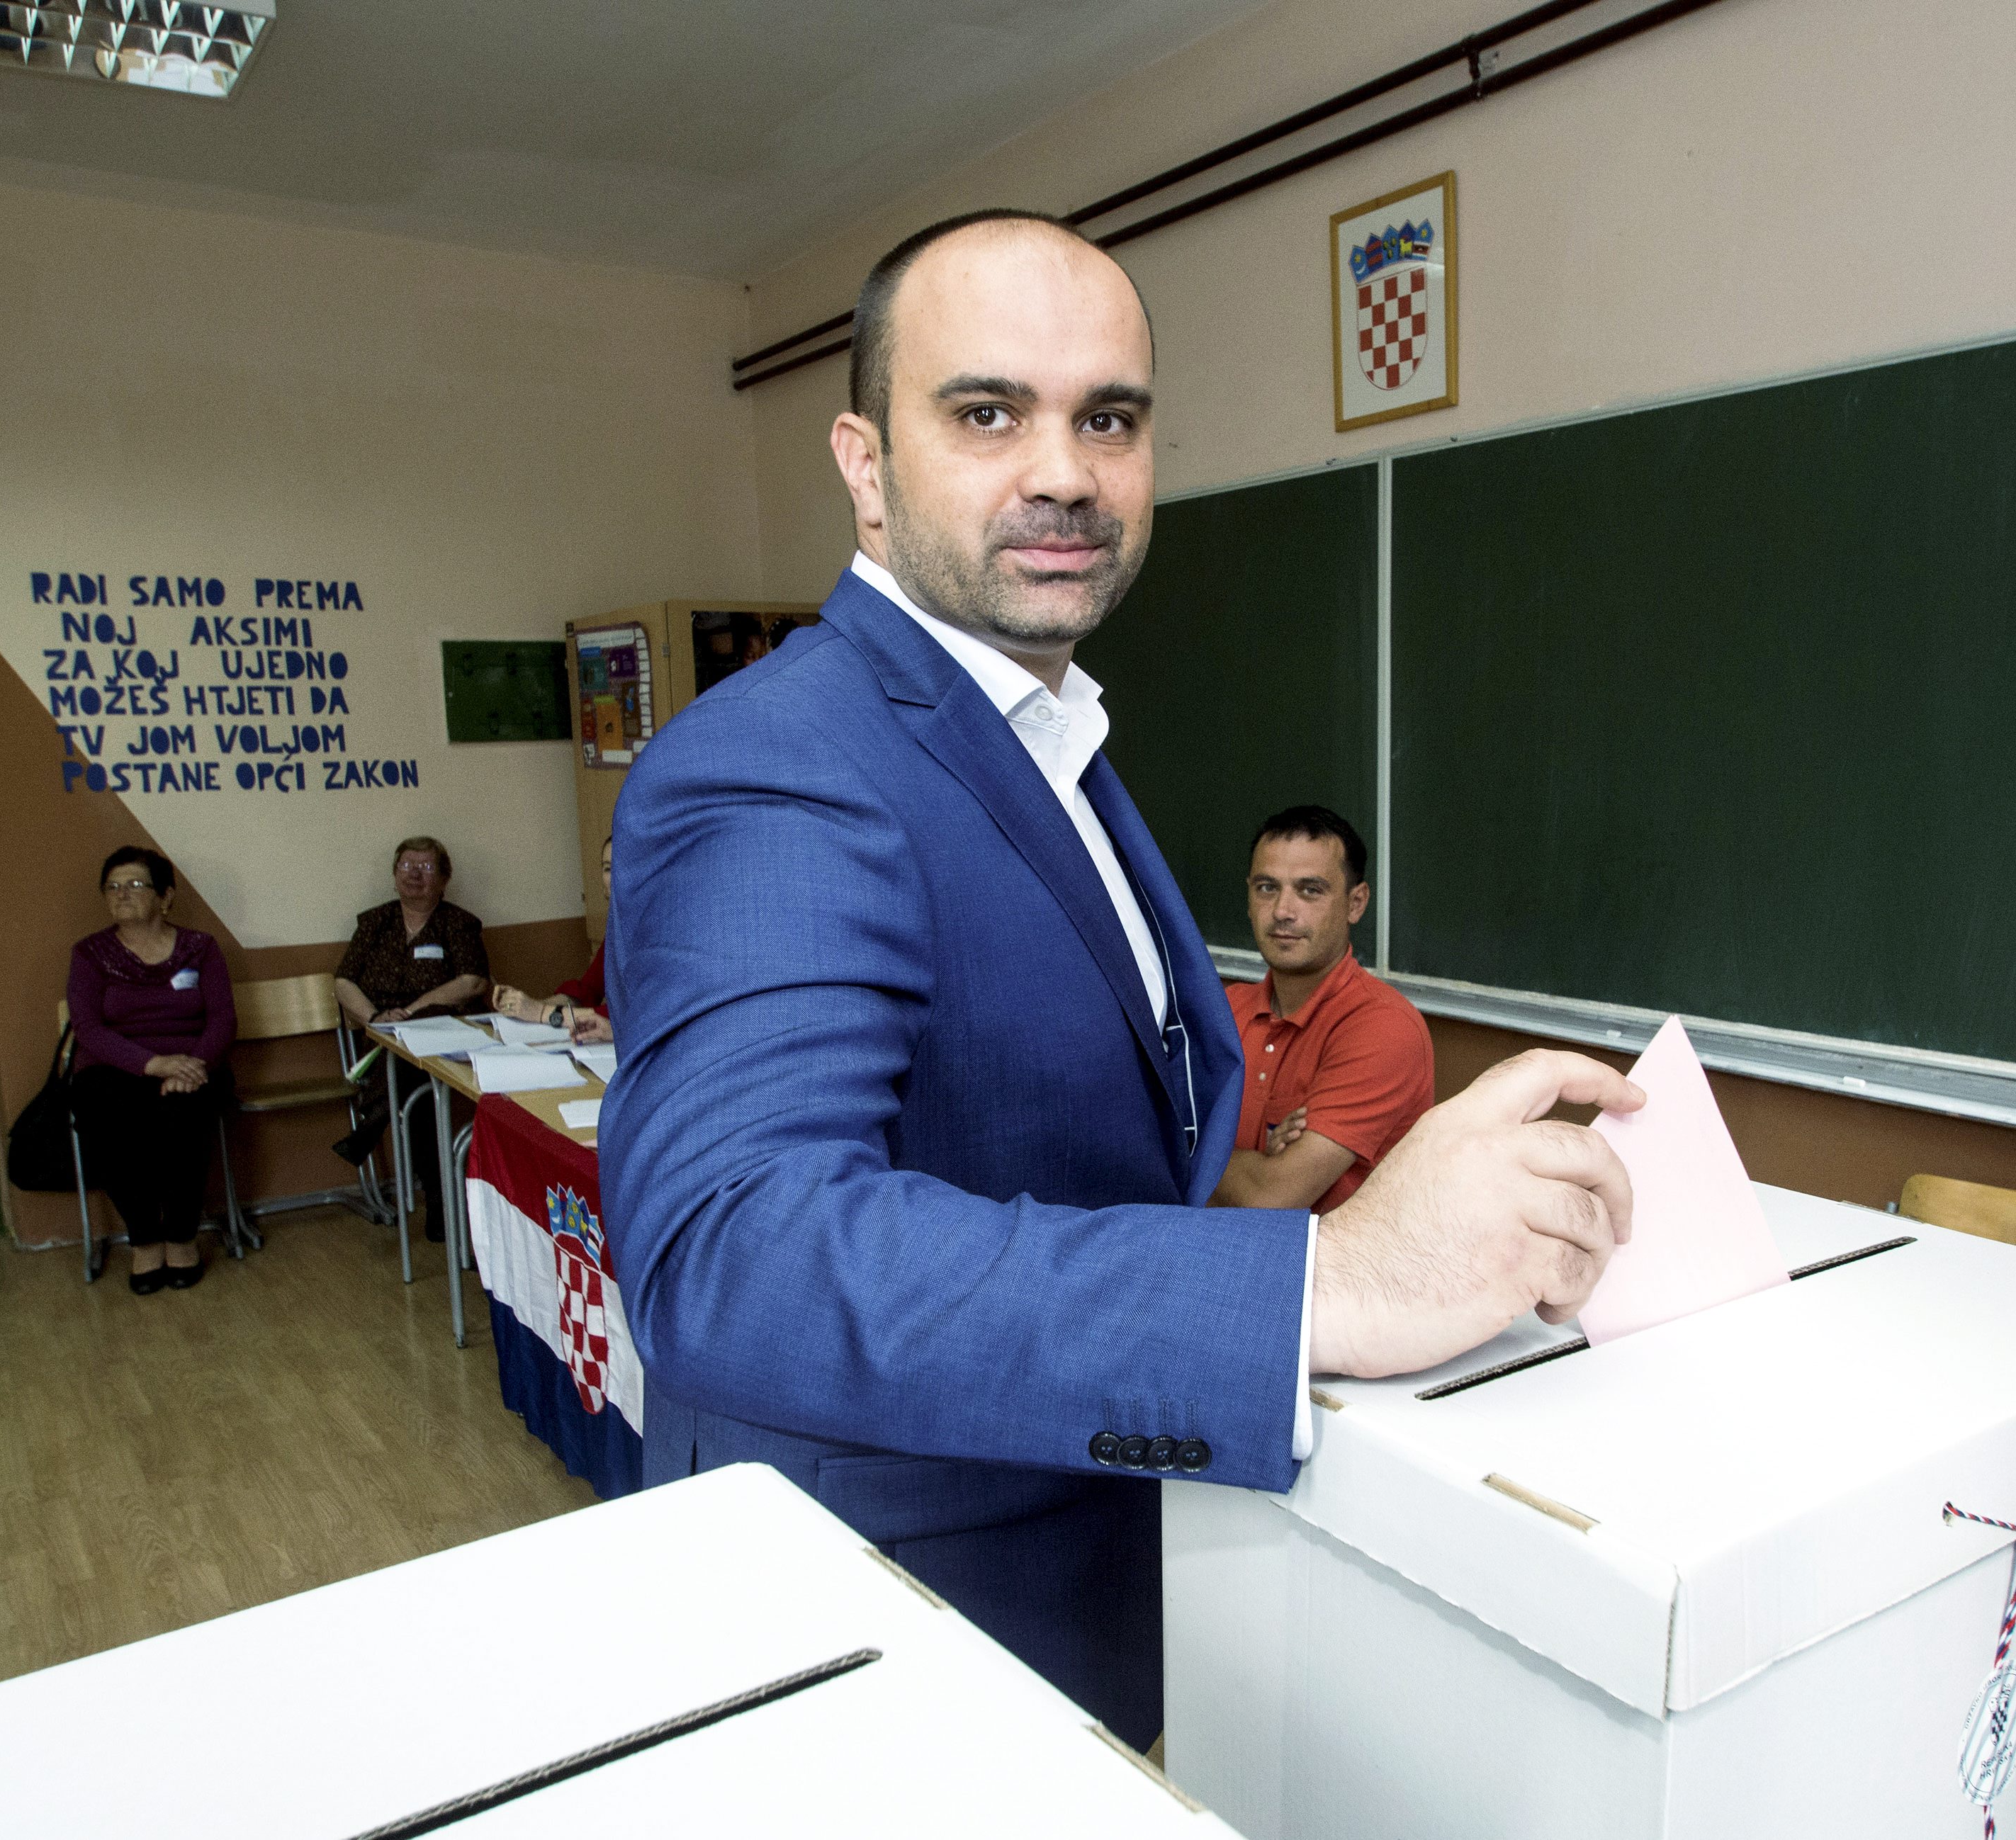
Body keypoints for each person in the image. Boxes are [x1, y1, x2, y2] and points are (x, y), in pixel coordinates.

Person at [601, 208, 1642, 1749]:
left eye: (1111, 417)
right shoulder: (779, 761)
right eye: (986, 411)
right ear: (865, 467)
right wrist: (1336, 1280)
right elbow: (733, 1247)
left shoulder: (1048, 740)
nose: (1066, 470)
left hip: (1103, 1585)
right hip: (895, 1647)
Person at [1213, 806, 1434, 1213]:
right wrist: (1259, 1164)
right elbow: (1141, 1137)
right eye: (1266, 888)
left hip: (1328, 1271)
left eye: (1310, 890)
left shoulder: (1383, 1027)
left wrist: (1194, 1154)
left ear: (1356, 903)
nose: (1282, 911)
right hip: (1217, 1253)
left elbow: (1271, 1196)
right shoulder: (1222, 1010)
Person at [66, 846, 235, 1294]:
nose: (123, 894)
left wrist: (191, 1066)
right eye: (113, 887)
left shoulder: (201, 948)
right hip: (114, 1069)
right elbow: (86, 1028)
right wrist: (154, 1065)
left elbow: (222, 1019)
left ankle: (181, 1237)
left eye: (136, 885)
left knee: (185, 1112)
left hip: (194, 1066)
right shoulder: (90, 954)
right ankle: (144, 1240)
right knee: (106, 1115)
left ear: (166, 897)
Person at [332, 835, 489, 1241]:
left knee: (416, 1085)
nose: (415, 876)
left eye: (426, 868)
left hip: (437, 1031)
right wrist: (376, 1018)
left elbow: (473, 982)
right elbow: (344, 981)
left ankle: (375, 1121)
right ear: (394, 875)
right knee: (416, 1094)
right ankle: (439, 1204)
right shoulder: (374, 922)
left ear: (445, 878)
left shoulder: (459, 923)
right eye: (406, 867)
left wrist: (415, 1010)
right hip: (380, 1035)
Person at [492, 835, 612, 1044]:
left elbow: (625, 1018)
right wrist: (524, 1005)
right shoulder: (618, 929)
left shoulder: (665, 929)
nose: (615, 877)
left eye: (628, 865)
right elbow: (586, 991)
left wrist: (541, 1013)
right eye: (608, 868)